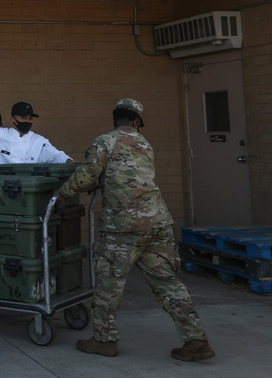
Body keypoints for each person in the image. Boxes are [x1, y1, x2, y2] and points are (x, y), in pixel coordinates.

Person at [56, 98, 215, 362]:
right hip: (157, 223)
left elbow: (85, 176)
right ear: (136, 121)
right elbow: (126, 175)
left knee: (108, 283)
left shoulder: (104, 141)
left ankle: (104, 340)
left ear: (115, 119)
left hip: (124, 227)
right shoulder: (144, 144)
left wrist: (60, 194)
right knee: (167, 283)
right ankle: (196, 340)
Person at [0, 102, 71, 165]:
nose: (27, 121)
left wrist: (70, 161)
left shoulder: (38, 140)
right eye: (23, 118)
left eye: (30, 118)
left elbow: (56, 155)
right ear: (13, 119)